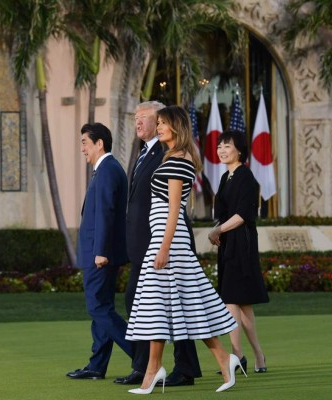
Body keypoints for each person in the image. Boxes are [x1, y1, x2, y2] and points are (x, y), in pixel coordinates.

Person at [126, 106, 243, 395]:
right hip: (164, 240)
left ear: (176, 128)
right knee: (181, 307)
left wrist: (163, 248)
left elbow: (175, 209)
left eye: (164, 123)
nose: (159, 127)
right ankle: (220, 359)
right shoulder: (171, 157)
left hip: (170, 242)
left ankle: (154, 371)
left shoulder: (179, 160)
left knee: (163, 305)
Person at [115, 101, 202, 387]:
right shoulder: (146, 153)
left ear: (163, 122)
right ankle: (145, 367)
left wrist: (163, 246)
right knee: (144, 304)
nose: (138, 123)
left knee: (174, 306)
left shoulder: (169, 151)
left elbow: (175, 206)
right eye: (135, 118)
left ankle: (178, 368)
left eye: (145, 118)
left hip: (163, 242)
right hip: (145, 242)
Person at [66, 122, 133, 380]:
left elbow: (106, 213)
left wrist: (101, 251)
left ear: (99, 143)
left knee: (98, 308)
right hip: (99, 252)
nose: (81, 148)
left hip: (100, 254)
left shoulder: (107, 170)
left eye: (85, 142)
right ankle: (97, 365)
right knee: (102, 308)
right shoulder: (105, 169)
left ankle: (142, 355)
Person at [207, 130, 269, 375]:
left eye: (227, 146)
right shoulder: (225, 178)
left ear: (240, 151)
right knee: (243, 307)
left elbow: (243, 215)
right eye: (220, 146)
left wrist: (218, 230)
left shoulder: (246, 178)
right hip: (227, 245)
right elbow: (224, 213)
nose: (222, 150)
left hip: (241, 247)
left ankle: (236, 355)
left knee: (231, 299)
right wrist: (218, 231)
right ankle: (258, 355)